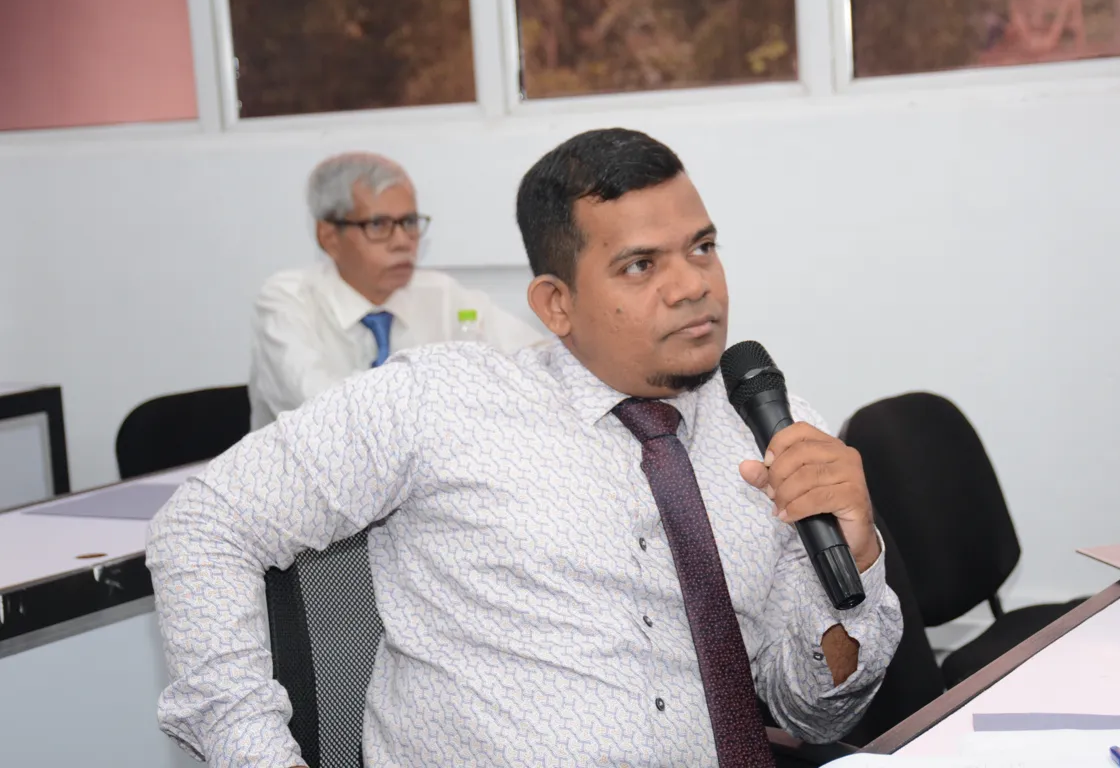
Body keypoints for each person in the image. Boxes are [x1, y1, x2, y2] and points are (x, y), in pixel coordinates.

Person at [148, 129, 902, 767]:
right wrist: (255, 752)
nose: (691, 286)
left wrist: (858, 558)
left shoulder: (775, 430)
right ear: (556, 304)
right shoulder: (440, 403)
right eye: (642, 265)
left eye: (702, 247)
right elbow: (205, 523)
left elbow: (816, 716)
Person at [248, 151, 545, 429]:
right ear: (329, 237)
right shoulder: (288, 300)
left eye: (409, 222)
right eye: (379, 225)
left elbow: (539, 359)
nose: (403, 241)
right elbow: (322, 411)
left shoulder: (441, 295)